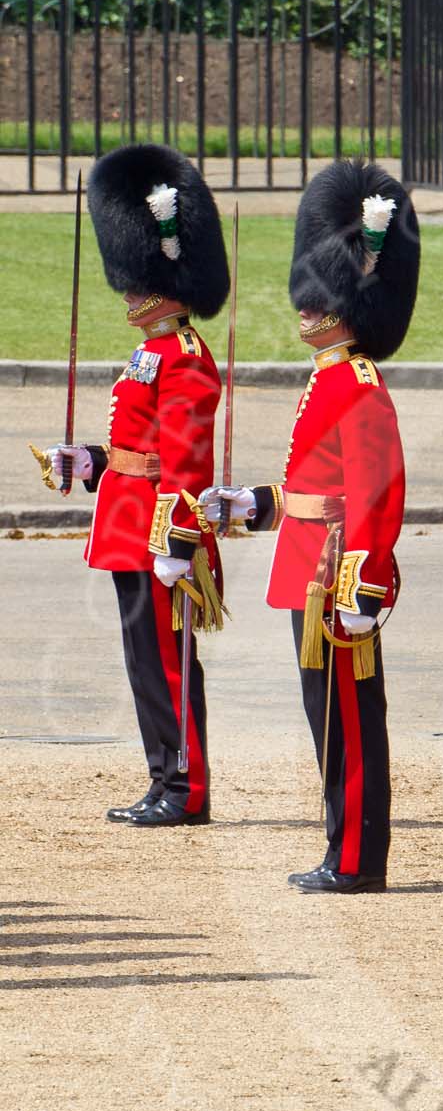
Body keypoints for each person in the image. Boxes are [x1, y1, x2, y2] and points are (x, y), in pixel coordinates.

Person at [200, 162, 417, 893]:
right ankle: (340, 847)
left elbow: (376, 497)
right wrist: (249, 505)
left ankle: (356, 858)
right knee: (325, 716)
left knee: (348, 721)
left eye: (320, 298)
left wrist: (365, 585)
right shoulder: (328, 376)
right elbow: (310, 491)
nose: (305, 308)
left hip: (336, 578)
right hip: (307, 564)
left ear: (346, 305)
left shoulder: (356, 382)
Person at [39, 144, 227, 827]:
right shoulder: (150, 351)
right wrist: (89, 461)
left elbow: (186, 458)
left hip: (159, 529)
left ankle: (185, 787)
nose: (128, 290)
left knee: (168, 665)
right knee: (145, 663)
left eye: (139, 277)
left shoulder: (184, 357)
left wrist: (178, 537)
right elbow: (136, 446)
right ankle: (162, 777)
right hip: (127, 520)